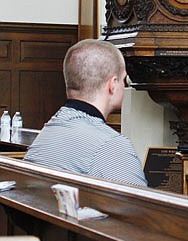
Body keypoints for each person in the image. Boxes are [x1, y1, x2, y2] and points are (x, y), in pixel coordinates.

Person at [24, 39, 147, 187]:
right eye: (123, 80)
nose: (124, 86)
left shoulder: (49, 131)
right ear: (113, 85)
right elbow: (139, 207)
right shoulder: (111, 146)